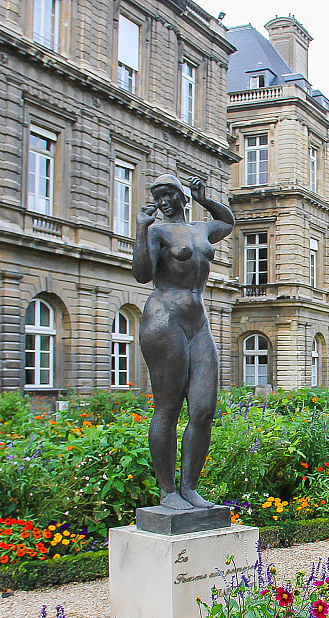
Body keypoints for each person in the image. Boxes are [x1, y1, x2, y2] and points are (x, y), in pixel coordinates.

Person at [133, 175, 235, 511]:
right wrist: (141, 230)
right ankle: (168, 492)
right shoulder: (157, 231)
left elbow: (227, 222)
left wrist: (204, 197)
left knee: (204, 410)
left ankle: (190, 488)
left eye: (169, 195)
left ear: (181, 197)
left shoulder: (202, 230)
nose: (163, 202)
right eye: (158, 196)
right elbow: (142, 274)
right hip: (165, 316)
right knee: (168, 406)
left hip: (197, 321)